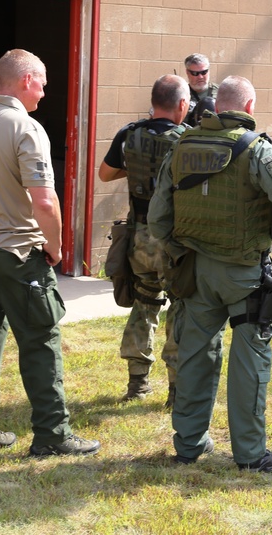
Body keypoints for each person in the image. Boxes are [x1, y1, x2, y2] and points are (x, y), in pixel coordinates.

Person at [149, 75, 272, 471]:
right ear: (249, 107)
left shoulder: (182, 144)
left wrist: (182, 251)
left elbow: (157, 218)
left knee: (195, 356)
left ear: (217, 107)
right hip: (243, 274)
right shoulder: (256, 150)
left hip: (195, 271)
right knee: (249, 361)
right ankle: (249, 454)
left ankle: (189, 444)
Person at [0, 49, 99, 457]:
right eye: (43, 82)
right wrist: (57, 247)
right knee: (40, 339)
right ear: (27, 79)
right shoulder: (25, 127)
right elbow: (44, 201)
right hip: (15, 251)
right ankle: (52, 434)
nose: (45, 92)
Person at [99, 75, 190, 404]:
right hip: (172, 241)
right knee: (180, 311)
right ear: (182, 105)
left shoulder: (129, 133)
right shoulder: (186, 140)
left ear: (153, 103)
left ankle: (136, 386)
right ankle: (177, 392)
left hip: (138, 239)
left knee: (144, 306)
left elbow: (105, 173)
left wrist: (137, 169)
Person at [183, 53, 218, 127]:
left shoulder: (221, 93)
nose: (200, 77)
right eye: (195, 73)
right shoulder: (181, 93)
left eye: (204, 72)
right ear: (187, 72)